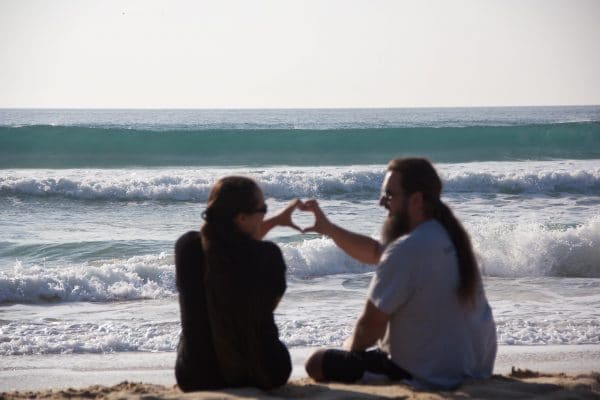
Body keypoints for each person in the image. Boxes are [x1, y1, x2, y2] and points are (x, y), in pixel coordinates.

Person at [302, 158, 497, 389]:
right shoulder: (449, 237)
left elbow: (369, 327)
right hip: (476, 368)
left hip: (428, 374)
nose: (381, 202)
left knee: (317, 362)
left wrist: (349, 357)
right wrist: (329, 229)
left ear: (416, 200)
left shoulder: (406, 250)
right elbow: (376, 252)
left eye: (390, 195)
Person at [174, 176, 301, 391]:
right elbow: (267, 304)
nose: (265, 215)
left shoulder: (187, 247)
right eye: (263, 209)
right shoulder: (269, 256)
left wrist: (276, 220)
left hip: (196, 375)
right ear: (241, 218)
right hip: (265, 371)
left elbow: (226, 245)